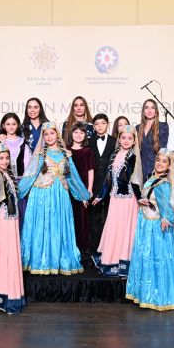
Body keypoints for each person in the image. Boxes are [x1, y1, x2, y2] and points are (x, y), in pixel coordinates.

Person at [18, 122, 91, 275]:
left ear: (57, 134)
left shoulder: (66, 154)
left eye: (52, 133)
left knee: (59, 225)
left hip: (60, 196)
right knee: (43, 225)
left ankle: (58, 260)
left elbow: (73, 177)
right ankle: (41, 260)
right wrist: (17, 193)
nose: (49, 137)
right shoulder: (40, 154)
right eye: (46, 134)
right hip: (42, 195)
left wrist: (83, 195)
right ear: (43, 137)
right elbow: (30, 175)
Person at [126, 150, 174, 312]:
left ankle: (159, 296)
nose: (160, 163)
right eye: (158, 160)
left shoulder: (163, 183)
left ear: (169, 166)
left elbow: (166, 204)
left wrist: (166, 218)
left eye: (164, 161)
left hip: (156, 227)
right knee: (146, 257)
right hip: (146, 223)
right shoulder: (152, 178)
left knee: (157, 259)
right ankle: (146, 294)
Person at [91, 125, 142, 277]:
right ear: (119, 139)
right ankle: (110, 259)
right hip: (115, 199)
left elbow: (133, 180)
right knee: (114, 227)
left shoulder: (133, 157)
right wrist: (100, 195)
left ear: (134, 141)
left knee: (126, 229)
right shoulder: (114, 155)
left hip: (128, 199)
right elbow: (109, 178)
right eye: (123, 138)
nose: (126, 141)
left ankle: (124, 262)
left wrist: (140, 198)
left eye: (129, 138)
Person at [0, 143, 26, 314]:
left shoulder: (8, 174)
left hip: (11, 221)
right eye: (1, 158)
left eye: (7, 158)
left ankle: (12, 294)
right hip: (1, 221)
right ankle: (1, 295)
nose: (5, 161)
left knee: (10, 254)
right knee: (2, 254)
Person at [89, 113, 116, 253]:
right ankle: (94, 249)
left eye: (103, 123)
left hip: (111, 184)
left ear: (108, 124)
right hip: (93, 185)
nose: (100, 126)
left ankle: (108, 249)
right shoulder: (89, 142)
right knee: (94, 218)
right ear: (93, 127)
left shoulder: (115, 141)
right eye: (97, 124)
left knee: (110, 217)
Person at [68, 123, 95, 255]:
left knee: (82, 219)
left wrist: (89, 190)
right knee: (70, 217)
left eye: (82, 133)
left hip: (82, 189)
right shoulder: (66, 151)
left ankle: (83, 249)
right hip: (69, 189)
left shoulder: (87, 151)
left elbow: (91, 170)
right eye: (76, 132)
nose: (78, 135)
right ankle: (70, 247)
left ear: (85, 135)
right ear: (71, 134)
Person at [137, 99, 169, 176]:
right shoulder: (137, 128)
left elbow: (163, 149)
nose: (149, 110)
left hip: (155, 168)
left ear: (156, 111)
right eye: (146, 107)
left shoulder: (163, 126)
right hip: (139, 168)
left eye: (152, 108)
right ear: (143, 111)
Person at [0, 112, 31, 177]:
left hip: (21, 180)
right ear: (3, 125)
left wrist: (26, 180)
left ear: (18, 125)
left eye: (14, 124)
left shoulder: (23, 143)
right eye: (8, 124)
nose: (11, 127)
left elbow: (28, 165)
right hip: (3, 180)